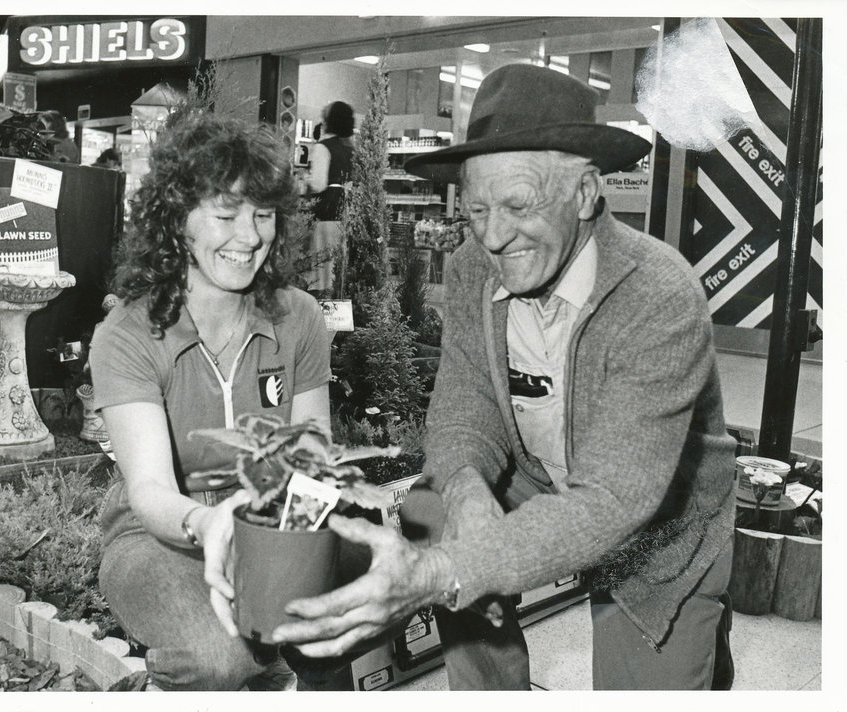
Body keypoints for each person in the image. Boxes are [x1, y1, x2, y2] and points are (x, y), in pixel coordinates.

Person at [270, 64, 736, 691]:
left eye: (518, 205)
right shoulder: (471, 269)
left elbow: (614, 500)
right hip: (542, 476)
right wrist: (466, 496)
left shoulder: (658, 295)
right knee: (433, 508)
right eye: (478, 207)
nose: (491, 236)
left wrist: (447, 569)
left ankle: (699, 630)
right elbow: (465, 406)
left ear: (586, 193)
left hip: (655, 520)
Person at [88, 114, 333, 691]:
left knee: (336, 626)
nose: (249, 237)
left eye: (264, 215)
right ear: (178, 223)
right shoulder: (128, 334)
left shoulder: (298, 317)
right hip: (162, 533)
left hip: (271, 522)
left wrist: (289, 546)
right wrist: (208, 523)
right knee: (218, 658)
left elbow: (313, 452)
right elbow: (148, 489)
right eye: (226, 215)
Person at [303, 101, 354, 292]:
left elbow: (318, 184)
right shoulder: (351, 148)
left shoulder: (323, 147)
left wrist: (306, 179)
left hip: (327, 211)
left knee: (323, 265)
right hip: (346, 210)